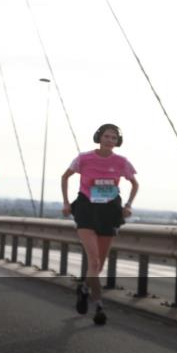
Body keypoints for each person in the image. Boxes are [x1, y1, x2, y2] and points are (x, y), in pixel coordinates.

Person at [61, 123, 139, 325]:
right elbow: (65, 177)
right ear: (99, 137)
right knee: (94, 262)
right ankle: (99, 308)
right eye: (106, 136)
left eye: (114, 138)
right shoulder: (84, 158)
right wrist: (66, 203)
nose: (110, 140)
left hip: (110, 212)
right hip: (87, 210)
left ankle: (84, 289)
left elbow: (135, 184)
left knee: (99, 265)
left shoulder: (122, 162)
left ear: (117, 141)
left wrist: (128, 205)